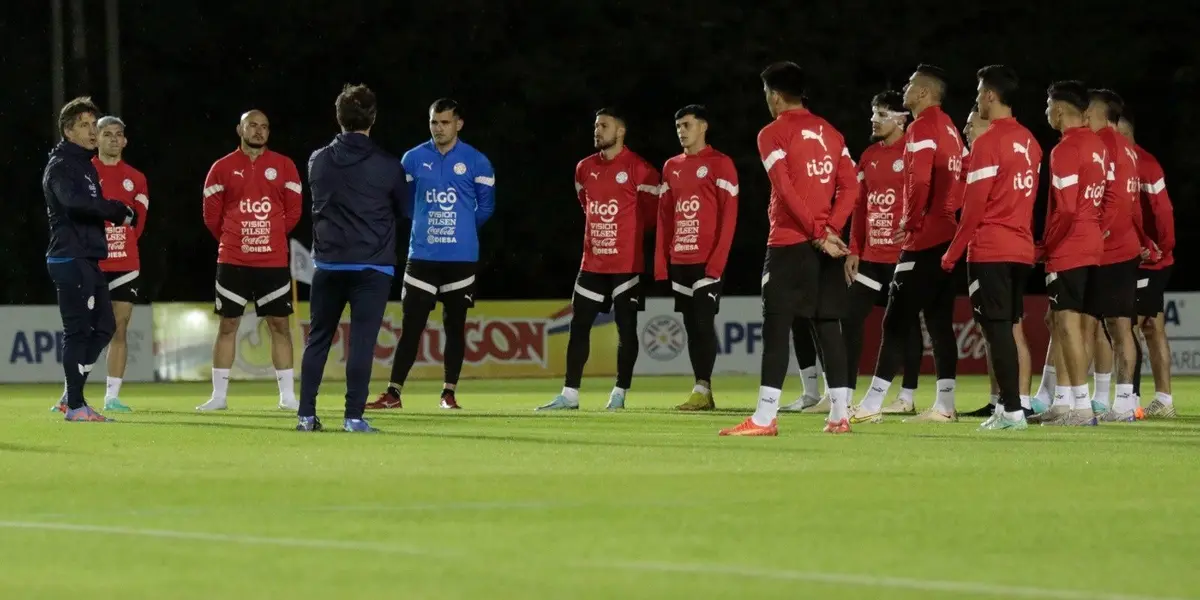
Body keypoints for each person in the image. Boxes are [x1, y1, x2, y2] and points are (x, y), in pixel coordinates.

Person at [719, 61, 857, 436]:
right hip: (827, 246)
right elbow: (851, 187)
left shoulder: (771, 134)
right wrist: (831, 230)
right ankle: (840, 415)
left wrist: (816, 231)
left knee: (777, 326)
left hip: (789, 244)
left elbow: (784, 187)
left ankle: (764, 418)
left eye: (766, 94)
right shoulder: (832, 133)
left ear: (776, 96)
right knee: (828, 325)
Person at [368, 99, 495, 411]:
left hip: (461, 259)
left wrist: (462, 228)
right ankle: (393, 394)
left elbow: (486, 207)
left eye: (445, 122)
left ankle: (448, 393)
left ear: (458, 124)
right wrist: (425, 225)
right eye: (434, 122)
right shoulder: (412, 158)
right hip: (422, 256)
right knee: (411, 327)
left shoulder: (477, 161)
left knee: (455, 326)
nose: (439, 128)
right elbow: (406, 203)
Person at [858, 64, 964, 424]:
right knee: (938, 323)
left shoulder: (922, 127)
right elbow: (960, 178)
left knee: (895, 321)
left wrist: (912, 220)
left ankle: (871, 405)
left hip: (924, 240)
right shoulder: (950, 127)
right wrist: (947, 212)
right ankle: (945, 406)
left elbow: (918, 181)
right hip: (947, 236)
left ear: (922, 93)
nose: (904, 88)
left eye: (910, 84)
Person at [299, 84, 408, 433]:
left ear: (338, 117)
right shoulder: (389, 166)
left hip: (328, 265)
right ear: (373, 118)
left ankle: (306, 416)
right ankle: (353, 418)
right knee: (361, 343)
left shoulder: (317, 159)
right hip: (372, 267)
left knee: (317, 340)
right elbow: (405, 209)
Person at [537, 107, 660, 411]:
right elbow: (586, 204)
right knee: (578, 326)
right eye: (595, 126)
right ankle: (569, 395)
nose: (597, 130)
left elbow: (653, 214)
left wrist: (626, 235)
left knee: (626, 330)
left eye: (603, 126)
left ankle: (619, 393)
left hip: (627, 265)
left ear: (620, 131)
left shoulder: (641, 169)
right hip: (592, 264)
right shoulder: (583, 168)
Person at [942, 65, 1040, 431]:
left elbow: (973, 210)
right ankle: (1013, 406)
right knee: (1008, 327)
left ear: (990, 96)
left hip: (991, 250)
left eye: (980, 92)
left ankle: (1011, 410)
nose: (977, 99)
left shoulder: (988, 143)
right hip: (1019, 249)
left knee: (996, 330)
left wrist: (951, 254)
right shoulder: (1031, 142)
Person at [198, 110, 304, 411]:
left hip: (273, 261)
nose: (259, 131)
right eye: (252, 126)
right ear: (239, 129)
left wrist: (270, 235)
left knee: (280, 326)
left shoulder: (284, 165)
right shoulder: (221, 168)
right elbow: (211, 216)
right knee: (228, 324)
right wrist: (235, 237)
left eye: (264, 127)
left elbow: (294, 212)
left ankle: (288, 398)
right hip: (233, 259)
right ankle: (218, 398)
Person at [44, 97, 139, 422]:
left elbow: (85, 202)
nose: (92, 131)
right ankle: (75, 406)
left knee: (105, 326)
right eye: (84, 125)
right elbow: (74, 203)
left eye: (92, 125)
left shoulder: (82, 165)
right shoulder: (61, 165)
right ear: (68, 131)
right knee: (78, 332)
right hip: (70, 257)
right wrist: (117, 210)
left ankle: (71, 396)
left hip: (87, 257)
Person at [844, 91, 927, 423]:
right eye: (873, 114)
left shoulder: (915, 150)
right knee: (848, 317)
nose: (874, 120)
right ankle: (843, 395)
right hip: (871, 256)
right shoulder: (868, 156)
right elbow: (859, 206)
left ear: (901, 119)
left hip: (903, 256)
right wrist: (854, 249)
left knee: (904, 326)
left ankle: (906, 396)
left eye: (882, 114)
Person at [1031, 81, 1107, 426]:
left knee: (1068, 326)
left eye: (1048, 106)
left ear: (1059, 110)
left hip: (1070, 248)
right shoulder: (1098, 145)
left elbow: (1066, 210)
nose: (1047, 113)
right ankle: (1064, 403)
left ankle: (1080, 406)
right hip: (1094, 246)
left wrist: (1045, 245)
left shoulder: (1063, 150)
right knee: (1073, 325)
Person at [654, 104, 739, 411]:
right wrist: (661, 263)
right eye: (678, 126)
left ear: (703, 126)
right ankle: (704, 390)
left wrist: (717, 263)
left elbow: (729, 218)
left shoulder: (721, 163)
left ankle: (701, 387)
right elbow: (665, 218)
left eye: (687, 125)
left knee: (704, 323)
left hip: (707, 263)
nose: (681, 131)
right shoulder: (671, 166)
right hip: (680, 261)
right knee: (692, 326)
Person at [1083, 89, 1152, 422]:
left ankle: (1086, 399)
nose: (1084, 116)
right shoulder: (1128, 148)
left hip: (1106, 249)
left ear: (1101, 114)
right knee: (1118, 326)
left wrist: (1097, 234)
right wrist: (1141, 238)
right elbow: (1133, 204)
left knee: (1093, 324)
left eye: (1088, 111)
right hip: (1124, 248)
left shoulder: (1105, 145)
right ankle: (1121, 400)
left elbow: (1112, 201)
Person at [1119, 116, 1176, 418]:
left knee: (1130, 325)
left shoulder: (1145, 165)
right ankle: (1164, 400)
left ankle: (1131, 399)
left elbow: (1163, 211)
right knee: (1153, 327)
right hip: (1136, 256)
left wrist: (1160, 249)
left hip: (1150, 260)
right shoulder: (1119, 161)